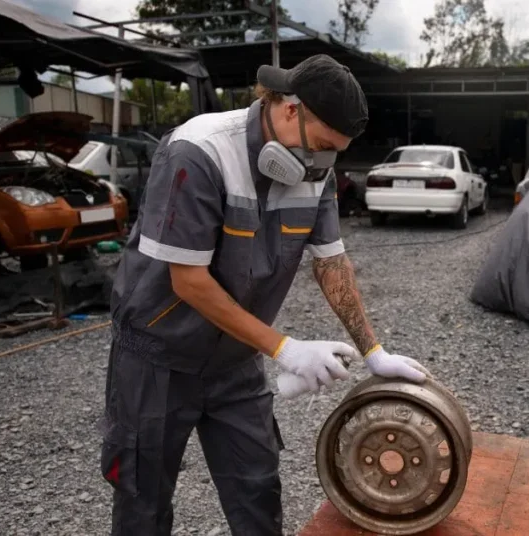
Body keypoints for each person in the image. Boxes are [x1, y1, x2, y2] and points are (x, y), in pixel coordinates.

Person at [100, 54, 430, 535]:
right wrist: (285, 348)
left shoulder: (314, 171)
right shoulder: (201, 151)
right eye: (321, 145)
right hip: (157, 359)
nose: (323, 163)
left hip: (234, 362)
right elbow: (187, 281)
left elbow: (331, 261)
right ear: (290, 109)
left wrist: (372, 350)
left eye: (334, 152)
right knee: (142, 501)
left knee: (257, 491)